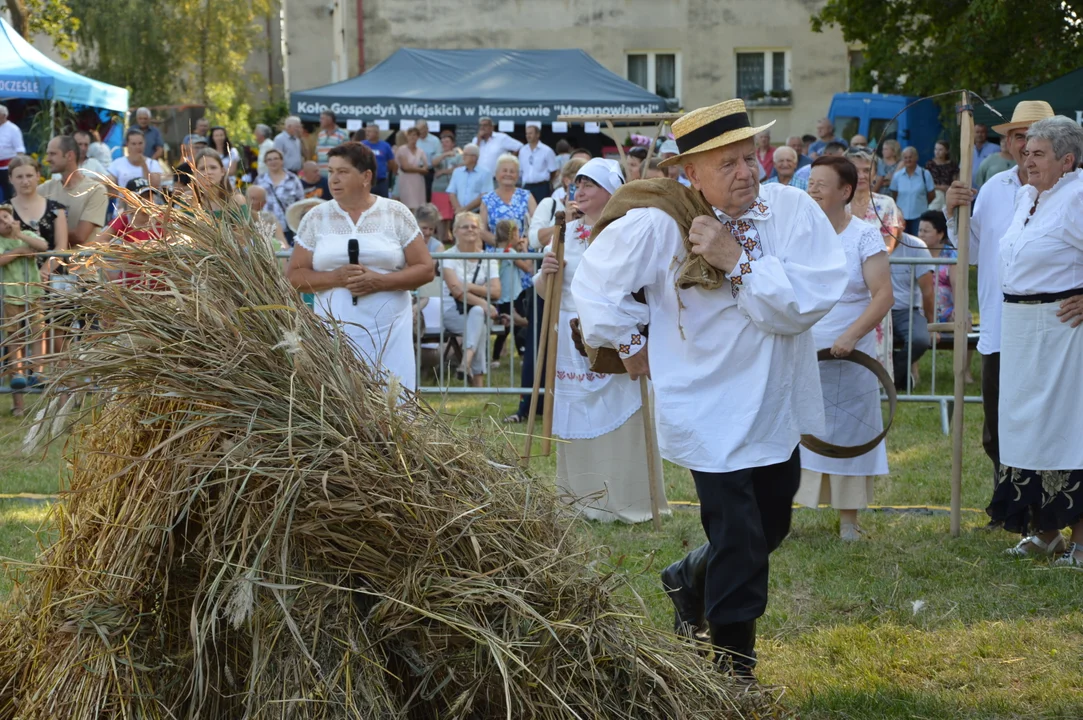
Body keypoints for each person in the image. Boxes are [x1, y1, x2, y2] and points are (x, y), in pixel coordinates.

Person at [573, 99, 847, 680]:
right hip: (707, 410)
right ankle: (732, 671)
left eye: (750, 157)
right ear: (689, 172)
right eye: (727, 164)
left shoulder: (791, 210)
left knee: (772, 523)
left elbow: (805, 303)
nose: (746, 171)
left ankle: (690, 576)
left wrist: (735, 259)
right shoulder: (658, 222)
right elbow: (595, 288)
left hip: (774, 404)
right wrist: (629, 346)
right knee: (743, 540)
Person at [533, 157, 668, 522]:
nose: (580, 191)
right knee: (577, 416)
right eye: (577, 184)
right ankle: (580, 499)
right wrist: (547, 275)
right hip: (571, 336)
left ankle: (628, 500)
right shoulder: (564, 233)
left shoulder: (628, 230)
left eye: (588, 184)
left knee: (625, 414)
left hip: (615, 334)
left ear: (611, 191)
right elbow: (547, 294)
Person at [944, 100, 1054, 519]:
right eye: (1019, 136)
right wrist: (953, 209)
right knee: (996, 429)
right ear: (1006, 143)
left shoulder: (1072, 190)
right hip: (997, 327)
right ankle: (1009, 505)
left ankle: (1049, 511)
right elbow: (966, 253)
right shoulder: (992, 189)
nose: (1026, 146)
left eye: (1034, 136)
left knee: (1047, 423)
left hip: (1052, 329)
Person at [981, 116, 1083, 565]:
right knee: (1026, 430)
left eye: (1038, 153)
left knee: (1067, 431)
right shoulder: (1029, 196)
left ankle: (1081, 541)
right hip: (1020, 330)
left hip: (1061, 331)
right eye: (1026, 151)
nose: (1028, 159)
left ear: (1067, 160)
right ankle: (1044, 532)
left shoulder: (1078, 197)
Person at [797, 156, 893, 539]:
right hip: (804, 349)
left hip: (852, 352)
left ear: (846, 191)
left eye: (822, 183)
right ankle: (784, 513)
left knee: (850, 431)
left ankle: (849, 521)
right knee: (798, 431)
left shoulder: (864, 235)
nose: (814, 189)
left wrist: (851, 336)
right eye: (811, 182)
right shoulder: (800, 235)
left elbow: (882, 295)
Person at [287, 142, 434, 392]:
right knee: (341, 404)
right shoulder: (316, 217)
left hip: (390, 332)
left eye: (342, 172)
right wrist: (335, 277)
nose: (333, 179)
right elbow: (294, 276)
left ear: (366, 176)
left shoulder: (395, 213)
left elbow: (425, 269)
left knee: (394, 401)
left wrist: (380, 281)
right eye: (331, 171)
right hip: (334, 329)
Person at [441, 211, 500, 386]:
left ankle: (465, 363)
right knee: (479, 316)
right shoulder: (448, 256)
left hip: (480, 314)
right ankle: (478, 384)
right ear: (456, 231)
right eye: (465, 226)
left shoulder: (488, 258)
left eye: (474, 226)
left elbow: (496, 292)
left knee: (477, 315)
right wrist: (483, 301)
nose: (470, 230)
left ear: (480, 231)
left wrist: (470, 286)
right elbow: (456, 291)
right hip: (452, 312)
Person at [0, 204, 47, 415]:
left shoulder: (26, 234)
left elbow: (43, 246)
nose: (5, 222)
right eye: (0, 221)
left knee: (38, 332)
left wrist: (21, 236)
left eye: (7, 217)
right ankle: (18, 372)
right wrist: (19, 250)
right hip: (11, 297)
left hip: (33, 295)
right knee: (14, 336)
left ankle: (38, 371)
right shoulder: (2, 242)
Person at [918, 209, 974, 383]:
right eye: (919, 230)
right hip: (922, 309)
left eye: (926, 231)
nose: (921, 235)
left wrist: (959, 308)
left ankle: (963, 370)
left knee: (966, 320)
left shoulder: (950, 254)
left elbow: (958, 286)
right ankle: (914, 374)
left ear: (940, 233)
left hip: (947, 310)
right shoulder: (916, 252)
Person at [888, 229, 935, 391]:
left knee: (920, 340)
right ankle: (895, 379)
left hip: (907, 310)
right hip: (873, 309)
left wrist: (932, 325)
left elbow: (928, 291)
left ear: (902, 224)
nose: (888, 227)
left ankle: (891, 374)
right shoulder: (869, 241)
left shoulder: (916, 246)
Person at [41, 136, 108, 248]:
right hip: (50, 264)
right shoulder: (44, 189)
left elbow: (80, 236)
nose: (47, 159)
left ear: (69, 156)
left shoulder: (96, 190)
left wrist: (41, 234)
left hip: (82, 263)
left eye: (52, 154)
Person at [8, 155, 68, 258]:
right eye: (19, 177)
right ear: (10, 179)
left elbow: (61, 247)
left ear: (38, 176)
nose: (25, 181)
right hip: (15, 272)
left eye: (29, 175)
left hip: (51, 270)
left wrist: (44, 271)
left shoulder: (56, 209)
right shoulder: (4, 210)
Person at [479, 155, 537, 245]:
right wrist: (503, 245)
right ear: (496, 174)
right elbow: (482, 230)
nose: (508, 174)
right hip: (496, 252)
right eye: (504, 170)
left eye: (512, 171)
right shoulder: (487, 199)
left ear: (517, 176)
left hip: (523, 250)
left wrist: (522, 243)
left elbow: (537, 225)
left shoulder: (527, 196)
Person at [255, 149, 305, 239]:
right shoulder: (259, 180)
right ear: (265, 162)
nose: (273, 162)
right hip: (265, 229)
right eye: (269, 160)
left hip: (288, 229)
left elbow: (301, 204)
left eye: (276, 158)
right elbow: (252, 202)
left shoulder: (292, 179)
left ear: (282, 161)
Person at [888, 147, 935, 235]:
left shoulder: (925, 174)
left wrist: (921, 203)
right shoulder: (897, 176)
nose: (908, 160)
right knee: (902, 242)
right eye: (905, 158)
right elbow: (894, 194)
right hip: (901, 216)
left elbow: (932, 195)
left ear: (916, 158)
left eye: (910, 157)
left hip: (919, 215)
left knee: (917, 242)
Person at [192, 149, 247, 218]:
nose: (208, 172)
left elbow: (244, 228)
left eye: (213, 167)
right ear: (195, 174)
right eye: (202, 169)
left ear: (222, 171)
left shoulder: (236, 200)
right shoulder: (189, 199)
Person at [445, 144, 493, 214]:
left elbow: (484, 195)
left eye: (465, 155)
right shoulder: (457, 172)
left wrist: (465, 209)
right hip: (459, 213)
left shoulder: (485, 173)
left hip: (477, 213)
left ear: (474, 157)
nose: (463, 158)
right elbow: (452, 193)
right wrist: (458, 209)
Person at [519, 124, 560, 203]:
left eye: (530, 133)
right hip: (526, 186)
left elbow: (553, 170)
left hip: (541, 186)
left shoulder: (547, 150)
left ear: (538, 134)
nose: (528, 136)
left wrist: (546, 181)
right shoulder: (522, 150)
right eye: (527, 133)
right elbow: (521, 170)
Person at [430, 131, 462, 231]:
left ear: (452, 143)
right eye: (442, 142)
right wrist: (445, 154)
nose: (444, 144)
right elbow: (434, 163)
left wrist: (444, 171)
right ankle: (440, 235)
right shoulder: (438, 155)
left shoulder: (458, 155)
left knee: (450, 213)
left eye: (447, 142)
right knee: (439, 213)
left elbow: (460, 168)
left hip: (453, 188)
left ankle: (449, 234)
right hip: (439, 188)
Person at [393, 127, 430, 213]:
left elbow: (426, 169)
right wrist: (419, 169)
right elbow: (405, 168)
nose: (413, 137)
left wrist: (412, 168)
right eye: (410, 135)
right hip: (405, 182)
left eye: (415, 135)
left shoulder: (421, 151)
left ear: (418, 137)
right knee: (405, 207)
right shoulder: (402, 150)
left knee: (417, 208)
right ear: (407, 137)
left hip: (418, 182)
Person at [360, 124, 398, 198]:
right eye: (366, 131)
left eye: (369, 131)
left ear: (377, 133)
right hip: (366, 181)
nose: (367, 133)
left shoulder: (385, 146)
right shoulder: (362, 145)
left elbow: (391, 162)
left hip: (381, 181)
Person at [246, 184, 288, 251]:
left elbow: (283, 244)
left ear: (264, 203)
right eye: (247, 198)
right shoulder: (239, 217)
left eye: (254, 199)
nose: (249, 201)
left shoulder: (270, 218)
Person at [0, 105, 26, 201]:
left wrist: (18, 167)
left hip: (8, 167)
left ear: (3, 115)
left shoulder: (13, 129)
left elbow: (20, 150)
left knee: (9, 192)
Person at [924, 141, 958, 211]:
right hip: (936, 193)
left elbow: (955, 180)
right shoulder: (930, 164)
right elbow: (926, 182)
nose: (937, 152)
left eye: (940, 149)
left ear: (946, 151)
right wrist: (941, 187)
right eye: (936, 149)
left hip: (948, 193)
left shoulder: (952, 165)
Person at [317, 111, 349, 177]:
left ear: (330, 120)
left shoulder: (343, 134)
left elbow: (347, 154)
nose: (320, 121)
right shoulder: (320, 134)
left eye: (322, 118)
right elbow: (317, 153)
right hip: (321, 174)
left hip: (335, 175)